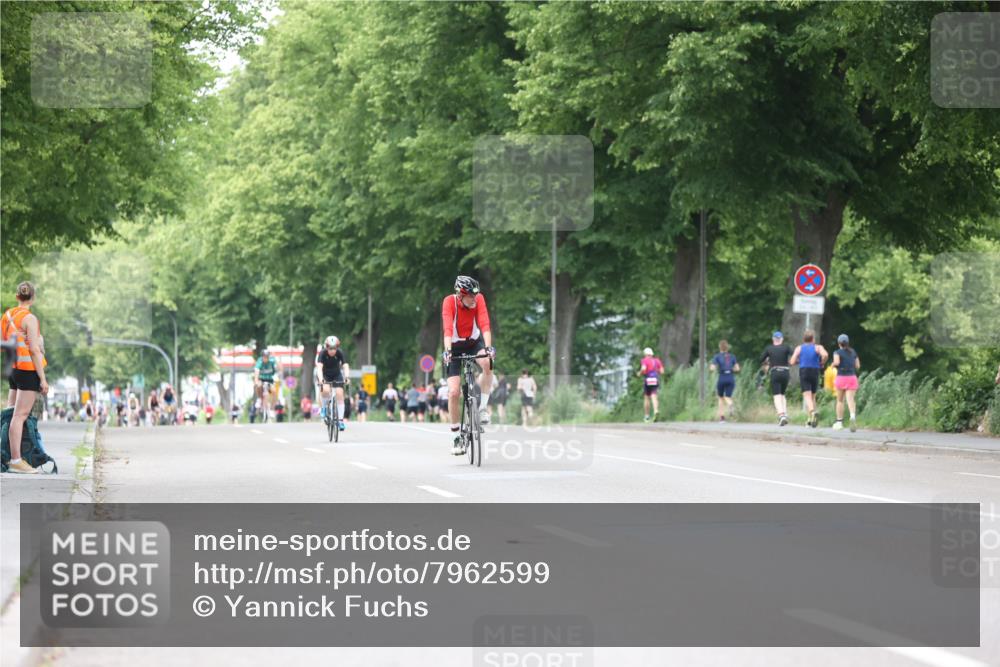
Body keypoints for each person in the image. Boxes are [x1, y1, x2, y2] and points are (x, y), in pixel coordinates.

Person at [442, 275, 495, 455]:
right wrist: (448, 351)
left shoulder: (478, 299)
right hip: (454, 348)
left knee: (487, 363)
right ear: (460, 295)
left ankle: (481, 409)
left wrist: (488, 348)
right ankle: (456, 436)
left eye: (475, 295)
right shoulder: (449, 302)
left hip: (473, 342)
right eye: (470, 296)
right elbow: (448, 328)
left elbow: (485, 323)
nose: (474, 299)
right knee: (454, 392)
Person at [2, 282, 49, 473]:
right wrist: (43, 379)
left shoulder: (6, 316)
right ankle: (16, 460)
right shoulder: (30, 319)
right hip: (28, 369)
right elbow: (35, 350)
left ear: (17, 297)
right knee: (19, 416)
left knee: (10, 412)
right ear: (33, 298)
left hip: (12, 368)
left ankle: (6, 453)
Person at [790, 329, 829, 428]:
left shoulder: (799, 348)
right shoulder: (818, 347)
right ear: (813, 339)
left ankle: (813, 412)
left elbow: (792, 361)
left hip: (804, 371)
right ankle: (810, 420)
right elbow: (825, 355)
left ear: (804, 339)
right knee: (812, 396)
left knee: (807, 396)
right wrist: (822, 363)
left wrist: (800, 361)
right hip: (815, 371)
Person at [314, 336, 349, 432]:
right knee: (325, 390)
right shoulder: (322, 353)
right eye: (330, 348)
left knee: (339, 394)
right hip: (325, 375)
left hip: (336, 375)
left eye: (334, 348)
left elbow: (345, 365)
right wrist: (321, 379)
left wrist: (346, 377)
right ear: (326, 347)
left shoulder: (340, 353)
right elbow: (319, 368)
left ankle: (340, 420)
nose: (332, 351)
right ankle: (324, 408)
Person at [760, 331, 793, 426]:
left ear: (773, 339)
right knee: (782, 394)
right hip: (785, 372)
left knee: (777, 395)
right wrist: (791, 362)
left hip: (775, 372)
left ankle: (781, 415)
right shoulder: (786, 347)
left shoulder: (769, 348)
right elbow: (794, 355)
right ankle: (785, 414)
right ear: (781, 339)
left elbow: (761, 359)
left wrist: (767, 361)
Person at [831, 333, 861, 432]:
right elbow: (857, 366)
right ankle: (852, 417)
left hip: (841, 377)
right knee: (850, 399)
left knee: (840, 400)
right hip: (852, 377)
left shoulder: (837, 352)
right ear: (848, 342)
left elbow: (837, 363)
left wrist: (832, 365)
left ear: (839, 343)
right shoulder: (853, 352)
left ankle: (839, 422)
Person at [709, 340, 740, 422]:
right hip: (730, 377)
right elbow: (737, 369)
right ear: (727, 348)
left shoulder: (717, 356)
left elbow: (712, 368)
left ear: (720, 347)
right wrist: (730, 369)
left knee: (720, 397)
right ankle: (730, 404)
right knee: (728, 397)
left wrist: (713, 368)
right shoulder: (732, 356)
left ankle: (722, 418)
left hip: (722, 377)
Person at [637, 347, 665, 422]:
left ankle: (646, 416)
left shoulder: (644, 360)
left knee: (646, 398)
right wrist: (656, 371)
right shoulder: (657, 361)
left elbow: (643, 369)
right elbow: (662, 371)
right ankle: (656, 411)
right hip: (655, 379)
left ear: (645, 354)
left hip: (648, 379)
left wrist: (639, 373)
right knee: (654, 396)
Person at [253, 349, 280, 423]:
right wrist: (256, 381)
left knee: (274, 392)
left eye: (267, 357)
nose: (266, 358)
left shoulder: (272, 361)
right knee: (258, 386)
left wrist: (277, 361)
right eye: (264, 357)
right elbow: (256, 371)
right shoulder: (260, 361)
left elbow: (279, 368)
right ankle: (259, 399)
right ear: (262, 357)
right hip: (261, 379)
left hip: (269, 380)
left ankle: (271, 409)